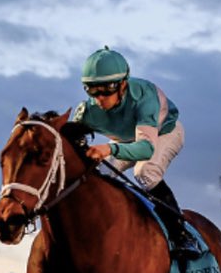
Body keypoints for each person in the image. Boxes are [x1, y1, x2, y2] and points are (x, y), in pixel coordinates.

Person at [72, 46, 200, 258]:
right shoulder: (87, 111)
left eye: (107, 90)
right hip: (126, 140)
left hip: (163, 134)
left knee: (145, 171)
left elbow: (145, 149)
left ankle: (181, 235)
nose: (100, 98)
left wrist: (108, 148)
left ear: (123, 84)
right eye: (92, 90)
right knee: (97, 177)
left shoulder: (144, 96)